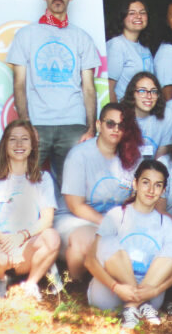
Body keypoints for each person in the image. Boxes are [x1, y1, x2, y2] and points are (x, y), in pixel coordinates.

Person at [7, 0, 99, 188]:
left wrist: (90, 129)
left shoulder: (82, 37)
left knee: (74, 189)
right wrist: (26, 124)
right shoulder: (25, 35)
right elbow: (19, 84)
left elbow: (88, 88)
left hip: (74, 124)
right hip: (37, 124)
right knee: (24, 186)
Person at [85, 160, 172, 328]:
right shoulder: (116, 215)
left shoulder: (166, 223)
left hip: (149, 294)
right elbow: (90, 260)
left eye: (158, 185)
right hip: (112, 292)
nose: (151, 190)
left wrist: (154, 291)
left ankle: (133, 307)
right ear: (135, 184)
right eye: (146, 182)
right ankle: (138, 304)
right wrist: (116, 287)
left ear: (163, 191)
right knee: (108, 242)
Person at [0, 120, 61, 300]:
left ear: (32, 145)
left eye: (25, 139)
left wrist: (21, 237)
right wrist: (10, 244)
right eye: (13, 139)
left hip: (26, 244)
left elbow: (47, 220)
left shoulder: (43, 179)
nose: (19, 144)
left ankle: (30, 285)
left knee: (52, 237)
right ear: (4, 145)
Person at [55, 104, 141, 280]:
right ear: (98, 125)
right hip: (75, 218)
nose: (116, 129)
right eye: (110, 123)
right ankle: (77, 286)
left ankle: (117, 285)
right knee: (89, 240)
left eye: (121, 125)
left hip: (114, 220)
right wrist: (109, 224)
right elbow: (76, 206)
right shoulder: (79, 155)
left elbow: (135, 199)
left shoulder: (133, 157)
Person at [106, 0, 154, 103]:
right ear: (122, 17)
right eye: (132, 13)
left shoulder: (144, 47)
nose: (138, 16)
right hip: (124, 109)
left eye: (142, 12)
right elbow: (108, 87)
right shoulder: (116, 45)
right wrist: (117, 111)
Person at [120, 73, 168, 159]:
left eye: (153, 91)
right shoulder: (119, 117)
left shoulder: (167, 116)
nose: (149, 96)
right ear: (132, 93)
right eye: (142, 91)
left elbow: (160, 160)